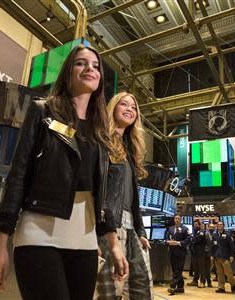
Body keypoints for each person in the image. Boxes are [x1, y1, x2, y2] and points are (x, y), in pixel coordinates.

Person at [0, 45, 128, 300]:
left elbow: (103, 195)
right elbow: (19, 174)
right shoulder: (43, 111)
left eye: (95, 66)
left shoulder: (100, 131)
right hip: (39, 235)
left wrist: (114, 245)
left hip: (85, 242)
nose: (90, 69)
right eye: (81, 63)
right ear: (68, 72)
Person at [94, 92, 153, 300]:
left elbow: (133, 199)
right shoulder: (101, 141)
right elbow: (96, 192)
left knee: (143, 290)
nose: (130, 109)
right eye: (124, 104)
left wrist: (141, 231)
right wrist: (93, 236)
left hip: (132, 229)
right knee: (110, 292)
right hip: (109, 226)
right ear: (113, 108)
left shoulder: (129, 150)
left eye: (134, 107)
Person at [166, 214, 190, 295]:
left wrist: (178, 243)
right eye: (175, 218)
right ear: (174, 219)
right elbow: (166, 238)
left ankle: (172, 286)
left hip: (181, 253)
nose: (176, 220)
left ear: (181, 219)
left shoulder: (185, 229)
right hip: (172, 252)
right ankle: (180, 287)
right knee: (175, 270)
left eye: (178, 218)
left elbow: (188, 240)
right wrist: (168, 242)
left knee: (178, 270)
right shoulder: (171, 228)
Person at [212, 221, 235, 293]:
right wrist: (212, 255)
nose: (219, 225)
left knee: (228, 273)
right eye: (218, 224)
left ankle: (232, 284)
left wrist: (232, 255)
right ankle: (221, 287)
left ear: (223, 226)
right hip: (217, 257)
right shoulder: (214, 235)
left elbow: (232, 246)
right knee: (219, 273)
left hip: (225, 257)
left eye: (221, 224)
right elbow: (213, 246)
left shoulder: (228, 234)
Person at [187, 219, 209, 288]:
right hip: (194, 252)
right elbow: (191, 241)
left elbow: (196, 239)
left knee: (201, 268)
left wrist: (190, 236)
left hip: (201, 253)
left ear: (199, 225)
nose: (195, 226)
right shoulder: (194, 232)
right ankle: (195, 281)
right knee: (195, 268)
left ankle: (202, 282)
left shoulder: (201, 232)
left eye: (196, 225)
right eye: (194, 225)